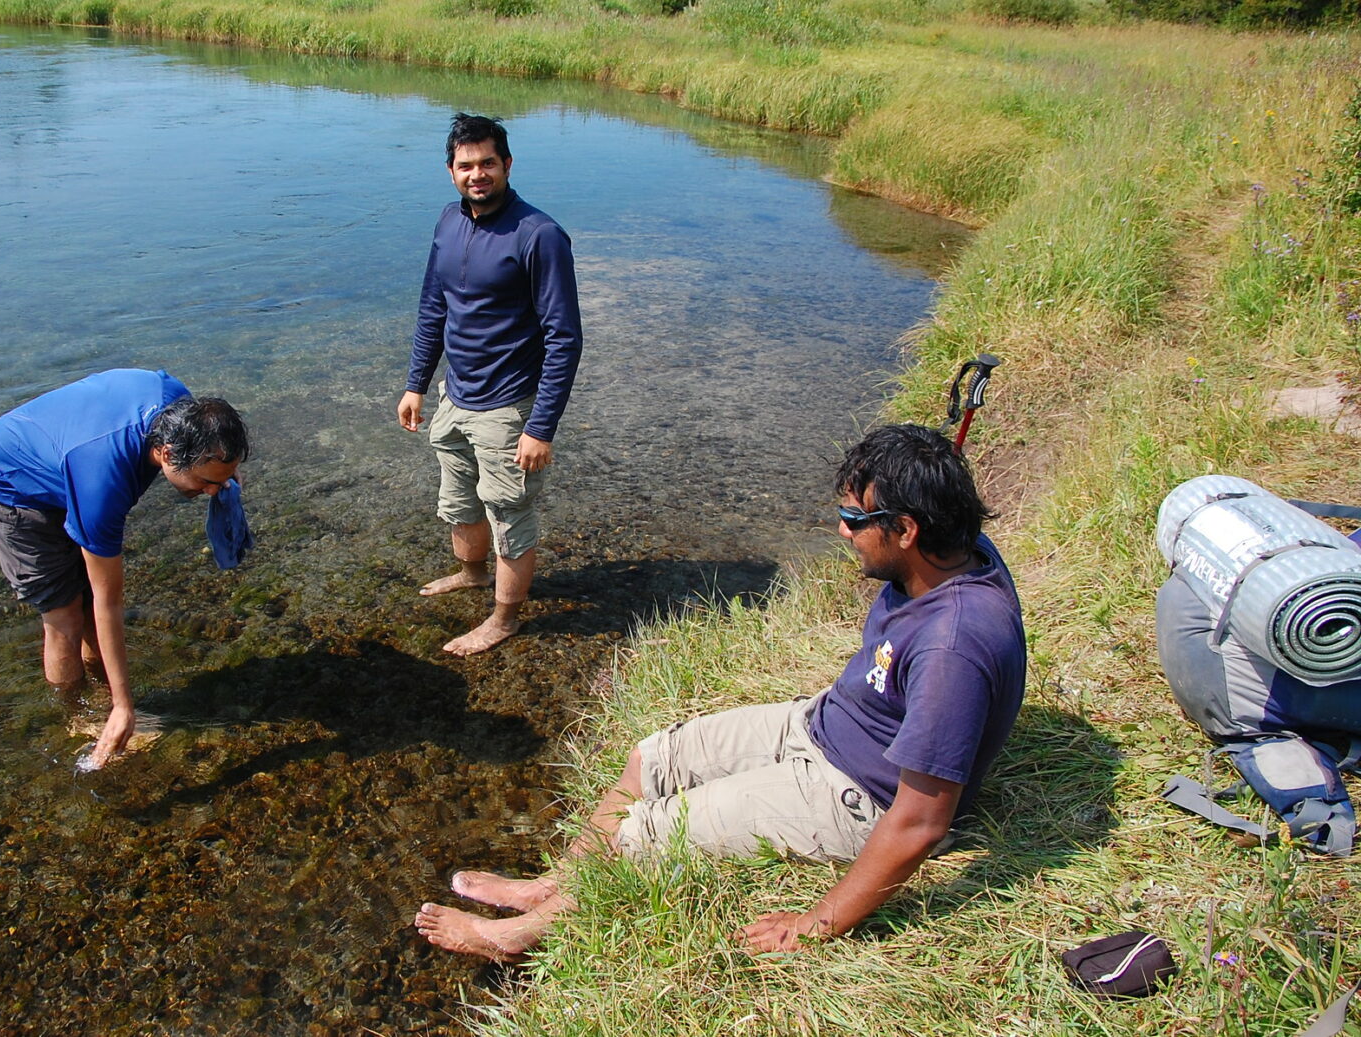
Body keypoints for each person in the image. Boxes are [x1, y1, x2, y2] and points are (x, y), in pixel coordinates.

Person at [415, 423, 1025, 959]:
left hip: (857, 792)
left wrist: (816, 923)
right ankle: (553, 883)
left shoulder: (954, 644)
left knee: (646, 833)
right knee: (652, 756)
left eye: (858, 520)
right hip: (823, 726)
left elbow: (921, 819)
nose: (842, 530)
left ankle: (516, 936)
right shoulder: (947, 550)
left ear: (908, 529)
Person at [0, 368, 249, 767]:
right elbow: (110, 602)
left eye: (221, 479)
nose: (212, 491)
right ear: (168, 454)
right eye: (207, 481)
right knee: (66, 615)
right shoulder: (102, 483)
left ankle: (101, 693)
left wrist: (222, 474)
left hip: (60, 455)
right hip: (13, 487)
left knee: (84, 602)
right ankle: (77, 717)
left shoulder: (183, 408)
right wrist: (125, 705)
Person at [397, 113, 583, 656]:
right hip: (455, 396)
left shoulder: (539, 235)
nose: (476, 174)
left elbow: (564, 338)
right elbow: (435, 308)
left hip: (509, 407)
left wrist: (540, 427)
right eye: (465, 165)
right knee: (458, 499)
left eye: (487, 163)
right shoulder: (448, 223)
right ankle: (473, 575)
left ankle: (505, 619)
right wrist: (417, 384)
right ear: (450, 170)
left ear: (506, 164)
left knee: (509, 511)